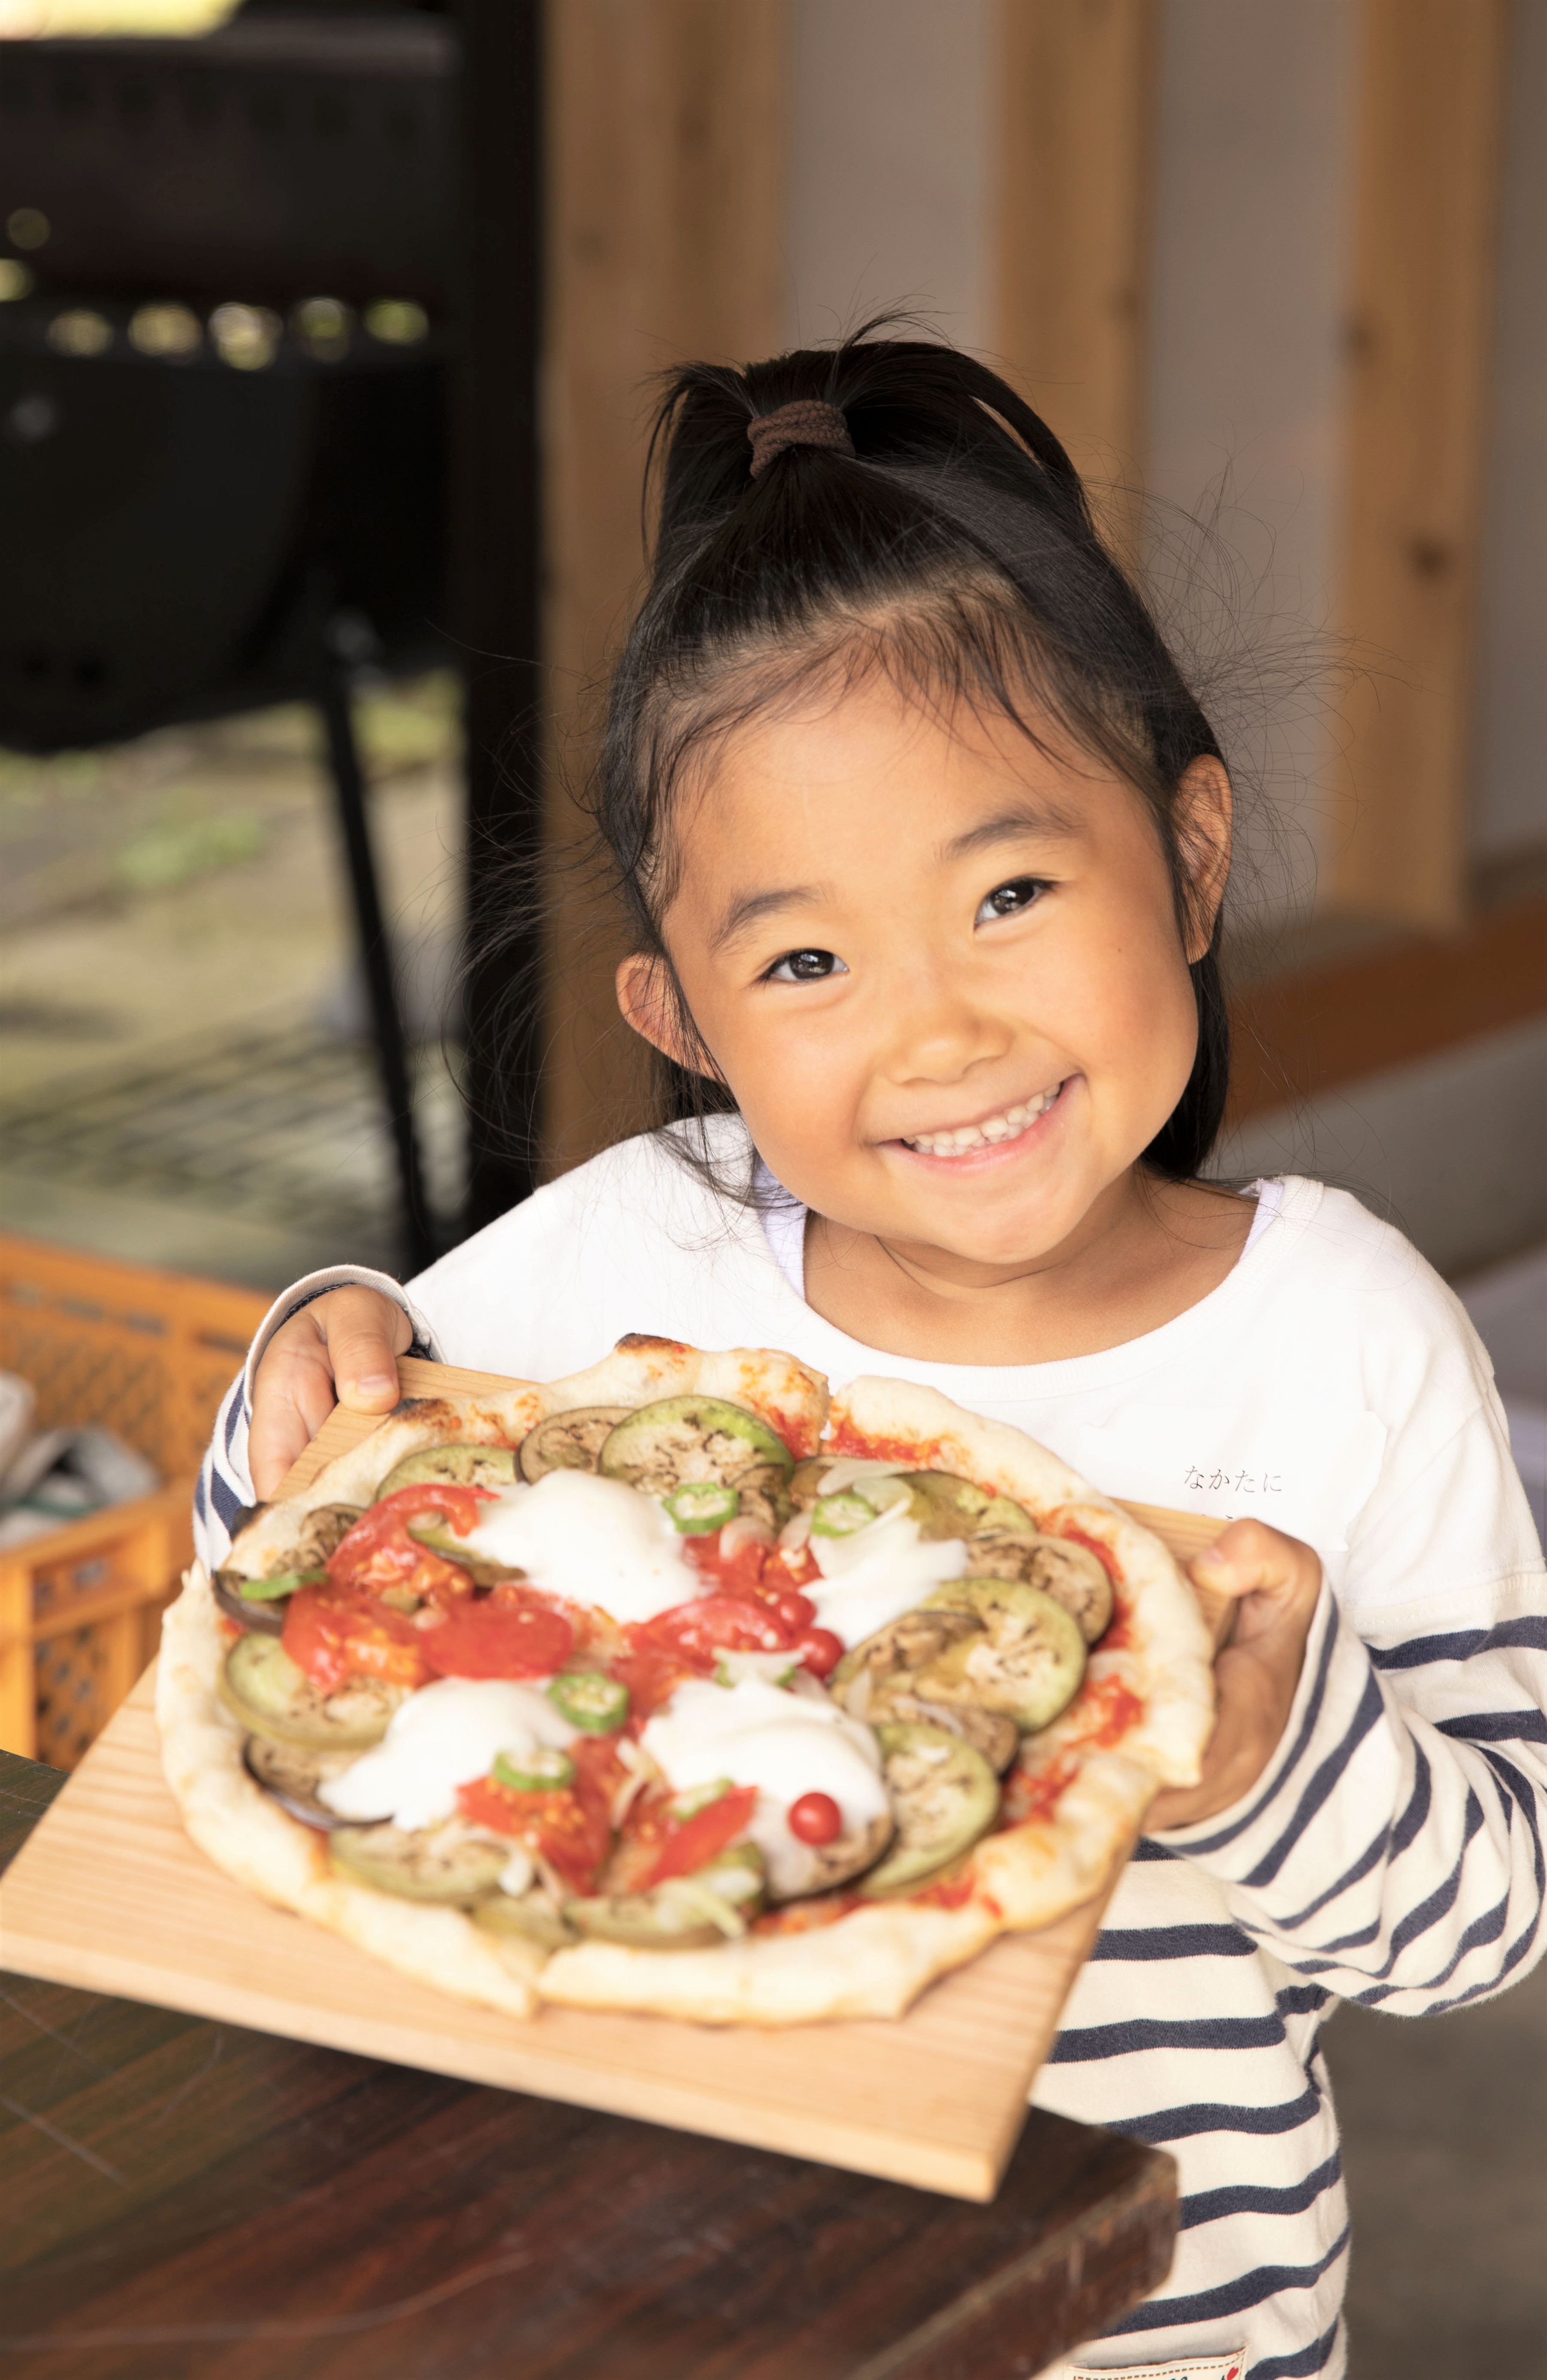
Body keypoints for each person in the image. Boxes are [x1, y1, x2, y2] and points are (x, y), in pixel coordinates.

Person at [196, 335, 1547, 2380]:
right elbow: (280, 1585)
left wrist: (1270, 1756)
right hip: (651, 2293)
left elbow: (1485, 1935)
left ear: (1187, 857)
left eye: (1007, 890)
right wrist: (310, 1349)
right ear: (686, 1016)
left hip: (1158, 2332)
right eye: (806, 961)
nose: (932, 1030)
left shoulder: (1342, 1340)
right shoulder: (639, 1247)